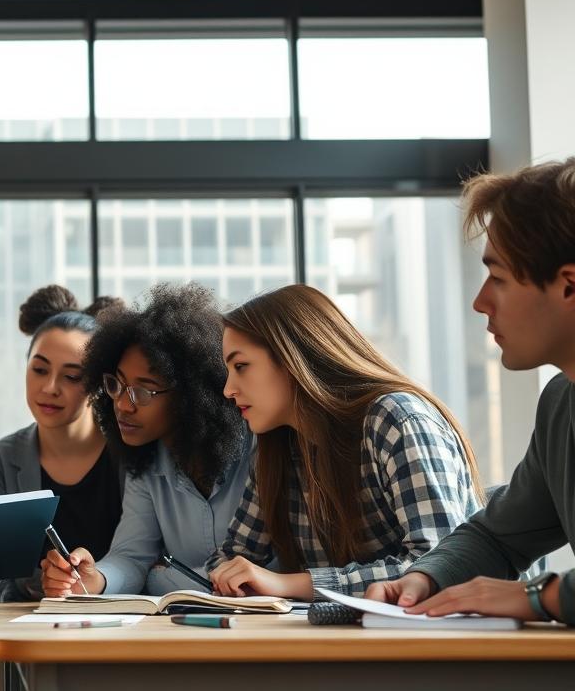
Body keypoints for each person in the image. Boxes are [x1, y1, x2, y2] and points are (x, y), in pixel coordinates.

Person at [368, 159, 575, 636]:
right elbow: (499, 536)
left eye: (498, 278)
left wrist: (540, 596)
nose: (480, 301)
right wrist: (423, 576)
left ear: (568, 285)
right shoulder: (561, 403)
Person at [209, 283, 483, 603]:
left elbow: (442, 565)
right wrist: (232, 576)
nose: (228, 389)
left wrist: (288, 584)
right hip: (348, 639)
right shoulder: (278, 447)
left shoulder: (396, 420)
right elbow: (233, 558)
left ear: (294, 356)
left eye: (241, 366)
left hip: (445, 641)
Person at [42, 283, 252, 600]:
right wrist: (94, 578)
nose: (123, 405)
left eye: (144, 391)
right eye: (116, 385)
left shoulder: (257, 450)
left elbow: (270, 569)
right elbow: (131, 557)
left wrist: (163, 578)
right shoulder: (147, 462)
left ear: (191, 396)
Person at [0, 285, 124, 602]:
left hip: (125, 630)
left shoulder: (130, 456)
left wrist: (95, 579)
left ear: (99, 385)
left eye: (71, 376)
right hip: (34, 636)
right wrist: (45, 583)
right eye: (39, 369)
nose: (49, 387)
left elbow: (147, 559)